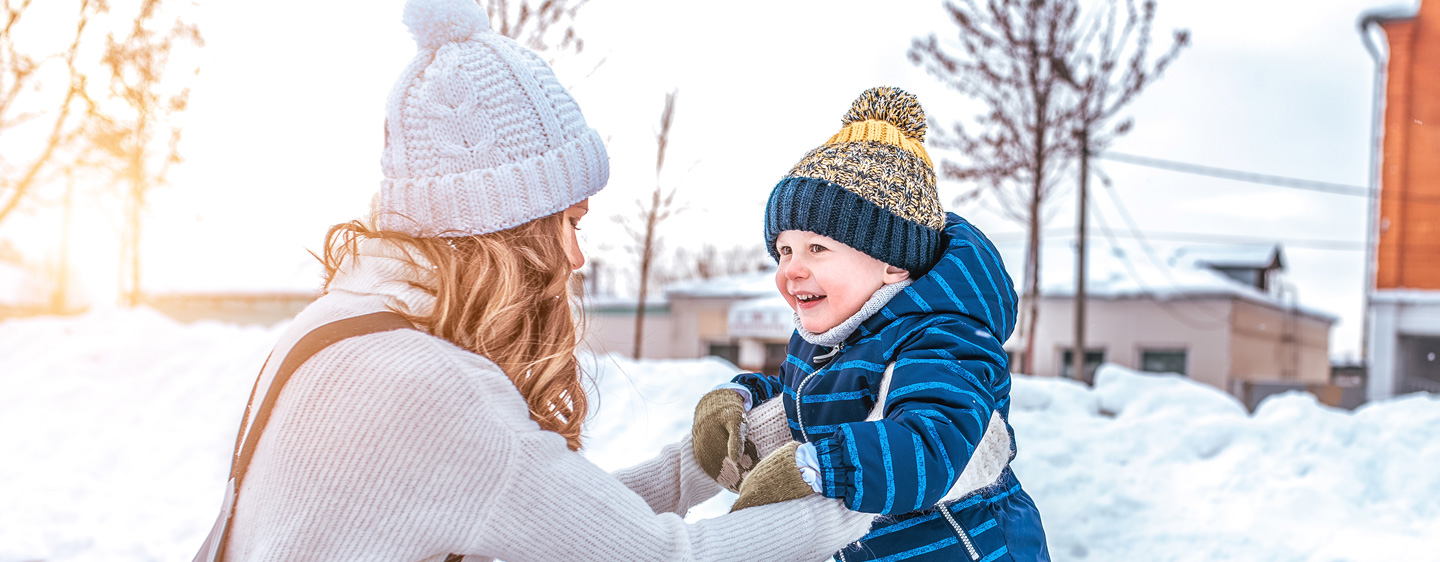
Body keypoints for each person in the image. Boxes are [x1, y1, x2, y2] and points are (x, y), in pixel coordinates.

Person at [218, 0, 875, 559]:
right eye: (568, 222)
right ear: (508, 230)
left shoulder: (338, 330)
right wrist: (875, 494)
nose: (575, 256)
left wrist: (700, 463)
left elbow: (546, 512)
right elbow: (665, 556)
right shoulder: (434, 390)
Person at [690, 87, 1051, 561]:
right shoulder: (828, 338)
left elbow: (931, 440)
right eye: (785, 250)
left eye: (817, 248)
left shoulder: (946, 337)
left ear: (893, 264)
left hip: (964, 549)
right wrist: (741, 401)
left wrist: (817, 468)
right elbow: (803, 399)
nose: (792, 269)